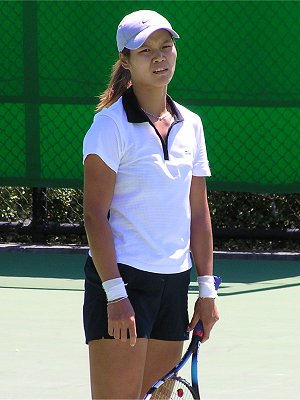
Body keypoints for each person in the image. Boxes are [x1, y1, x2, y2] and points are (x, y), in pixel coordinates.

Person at [82, 9, 219, 399]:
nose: (159, 57)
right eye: (145, 50)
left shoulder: (191, 123)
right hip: (123, 281)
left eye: (166, 46)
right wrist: (115, 294)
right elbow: (94, 215)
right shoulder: (109, 127)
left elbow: (198, 211)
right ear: (125, 59)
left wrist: (206, 291)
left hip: (174, 284)